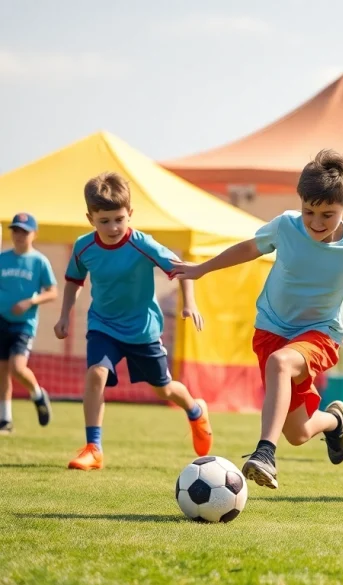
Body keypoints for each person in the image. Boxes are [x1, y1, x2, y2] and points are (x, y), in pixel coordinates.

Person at [172, 150, 343, 489]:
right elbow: (249, 248)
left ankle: (265, 452)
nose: (316, 222)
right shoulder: (286, 226)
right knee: (298, 432)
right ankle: (334, 421)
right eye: (309, 211)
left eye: (328, 214)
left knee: (281, 364)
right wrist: (201, 269)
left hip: (320, 333)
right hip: (271, 328)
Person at [56, 173, 213, 471]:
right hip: (103, 325)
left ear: (130, 214)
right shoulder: (83, 247)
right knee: (96, 375)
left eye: (119, 219)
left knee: (163, 389)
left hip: (143, 331)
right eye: (104, 221)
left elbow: (182, 270)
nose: (113, 227)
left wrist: (189, 303)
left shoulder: (143, 244)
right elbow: (73, 281)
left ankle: (195, 410)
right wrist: (64, 315)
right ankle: (94, 448)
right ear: (91, 218)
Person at [0, 213, 57, 434]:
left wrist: (30, 301)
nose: (19, 235)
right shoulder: (3, 258)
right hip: (1, 320)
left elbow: (52, 291)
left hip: (24, 324)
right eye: (16, 230)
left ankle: (38, 394)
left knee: (17, 367)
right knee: (2, 373)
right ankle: (5, 419)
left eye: (24, 231)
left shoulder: (39, 261)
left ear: (34, 234)